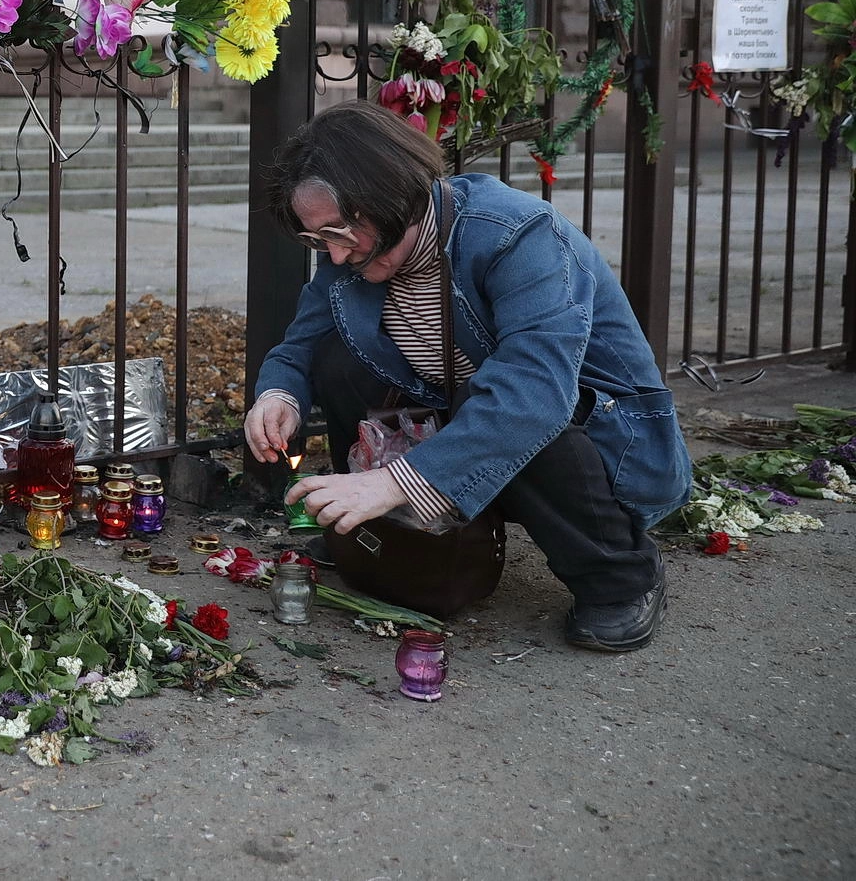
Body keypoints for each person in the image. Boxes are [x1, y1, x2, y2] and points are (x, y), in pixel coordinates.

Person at [242, 99, 692, 652]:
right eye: (318, 240)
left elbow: (535, 393)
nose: (334, 257)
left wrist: (395, 481)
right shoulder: (357, 252)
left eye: (339, 232)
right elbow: (304, 341)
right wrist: (278, 393)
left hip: (596, 440)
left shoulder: (519, 235)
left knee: (513, 401)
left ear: (391, 195)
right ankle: (373, 528)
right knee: (337, 356)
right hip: (465, 419)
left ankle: (619, 575)